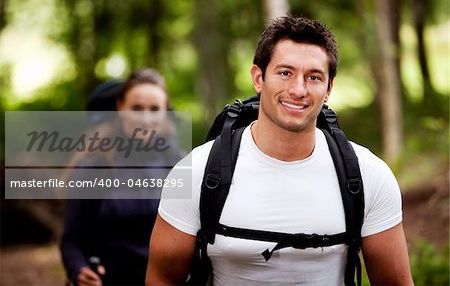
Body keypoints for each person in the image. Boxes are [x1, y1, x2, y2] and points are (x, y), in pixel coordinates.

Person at [146, 16, 414, 285]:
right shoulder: (196, 171)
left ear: (329, 88)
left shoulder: (369, 175)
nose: (298, 90)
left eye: (313, 77)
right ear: (258, 78)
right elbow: (162, 278)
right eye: (285, 73)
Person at [61, 69, 184, 286]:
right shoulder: (95, 168)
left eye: (155, 109)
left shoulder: (183, 166)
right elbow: (71, 241)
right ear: (120, 108)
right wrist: (78, 270)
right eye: (136, 108)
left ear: (165, 113)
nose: (146, 119)